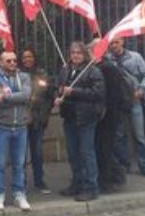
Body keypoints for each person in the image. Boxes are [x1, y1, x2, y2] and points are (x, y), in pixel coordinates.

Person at [56, 42, 105, 202]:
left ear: (84, 54)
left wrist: (75, 91)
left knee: (86, 152)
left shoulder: (93, 70)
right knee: (73, 153)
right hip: (69, 116)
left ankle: (91, 187)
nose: (75, 55)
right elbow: (60, 87)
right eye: (73, 52)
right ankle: (77, 183)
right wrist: (57, 97)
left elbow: (98, 92)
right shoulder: (65, 69)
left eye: (79, 52)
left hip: (86, 117)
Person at [0, 51, 32, 211]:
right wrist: (15, 97)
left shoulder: (24, 77)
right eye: (8, 61)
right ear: (0, 62)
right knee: (0, 163)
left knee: (19, 164)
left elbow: (26, 96)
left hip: (20, 126)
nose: (13, 63)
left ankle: (19, 194)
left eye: (14, 60)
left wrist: (6, 97)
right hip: (2, 127)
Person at [106, 37, 145, 179]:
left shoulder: (135, 57)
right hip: (118, 102)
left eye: (116, 42)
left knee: (139, 135)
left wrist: (141, 89)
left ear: (122, 42)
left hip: (134, 100)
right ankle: (124, 164)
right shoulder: (108, 59)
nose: (114, 45)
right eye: (111, 43)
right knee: (119, 135)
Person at [95, 46, 133, 194]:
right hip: (104, 115)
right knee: (102, 148)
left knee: (105, 148)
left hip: (109, 116)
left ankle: (110, 179)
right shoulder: (100, 67)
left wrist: (106, 109)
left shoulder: (107, 68)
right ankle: (113, 176)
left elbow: (112, 93)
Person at [22, 48, 56, 194]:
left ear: (34, 58)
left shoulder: (42, 74)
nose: (27, 59)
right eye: (24, 57)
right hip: (22, 119)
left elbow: (50, 96)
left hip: (37, 119)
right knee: (21, 154)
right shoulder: (18, 74)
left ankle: (39, 181)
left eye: (29, 56)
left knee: (37, 152)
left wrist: (45, 114)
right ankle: (21, 182)